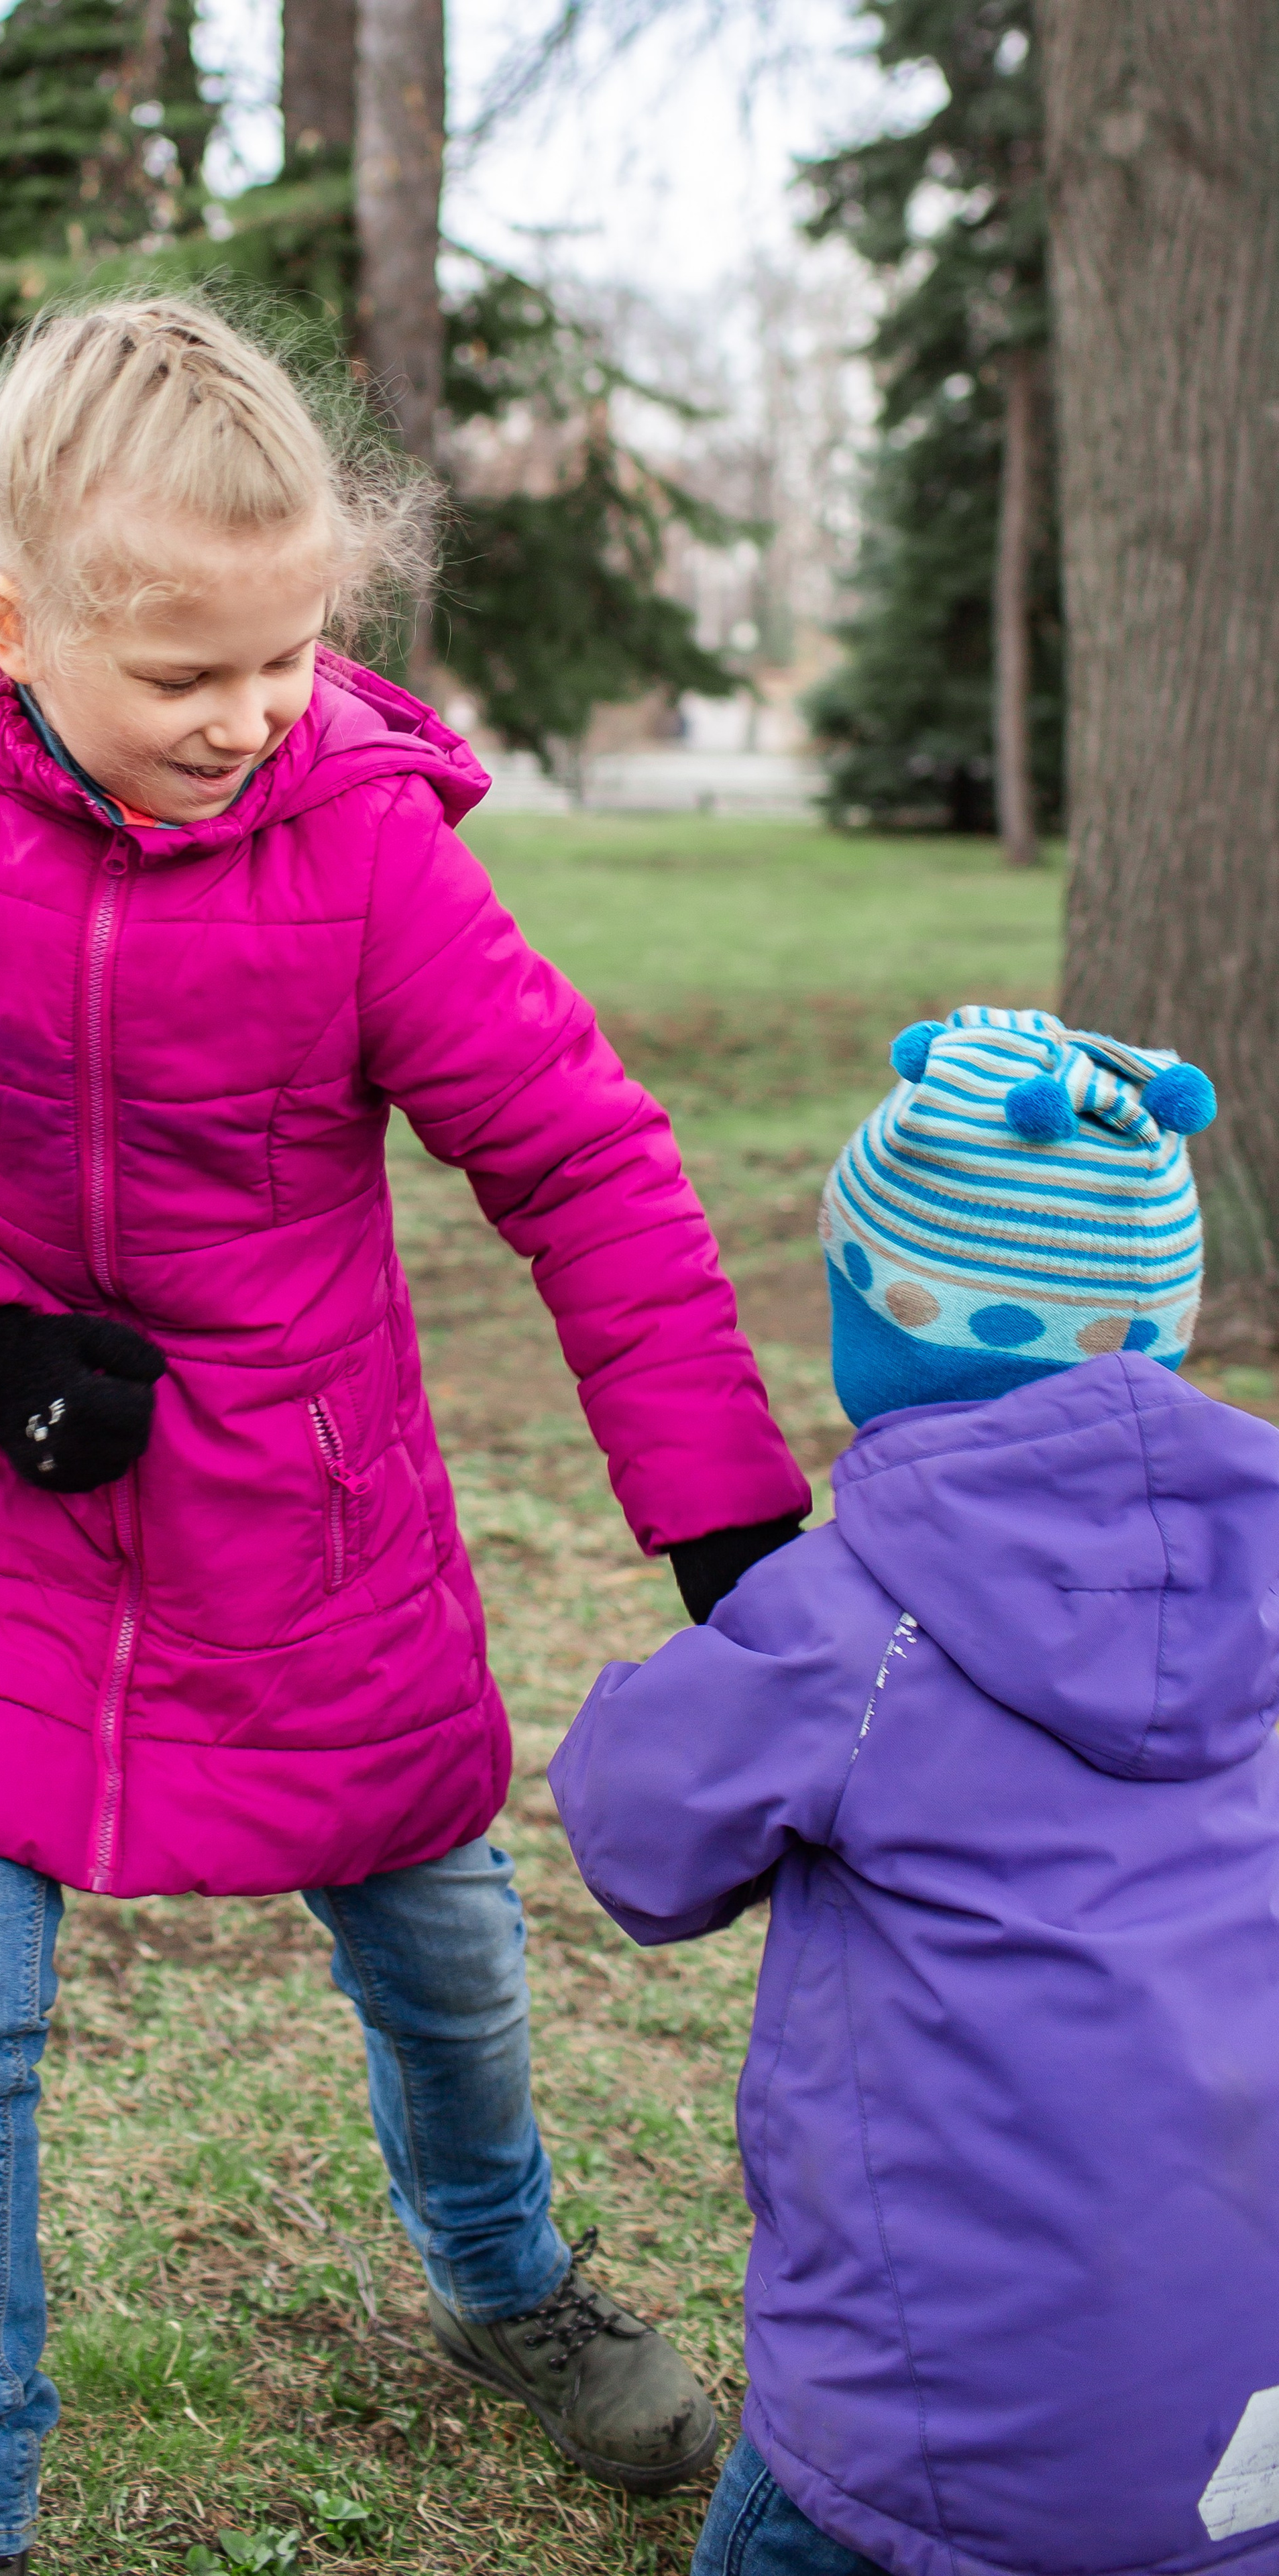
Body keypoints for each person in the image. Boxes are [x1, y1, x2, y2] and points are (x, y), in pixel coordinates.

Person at [0, 295, 810, 2575]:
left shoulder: (366, 850)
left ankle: (504, 2284)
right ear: (17, 626)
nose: (255, 720)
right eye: (188, 678)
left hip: (307, 1537)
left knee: (444, 1952)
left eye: (290, 659)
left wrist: (721, 1517)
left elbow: (581, 1161)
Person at [550, 1006, 1279, 2576]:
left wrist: (739, 1627)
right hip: (1241, 2428)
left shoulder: (842, 1626)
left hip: (921, 2438)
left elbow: (632, 1843)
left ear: (878, 1313)